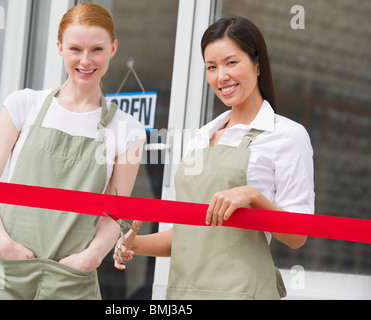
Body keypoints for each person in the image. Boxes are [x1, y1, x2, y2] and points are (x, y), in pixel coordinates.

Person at [114, 16, 314, 300]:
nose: (221, 76)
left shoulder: (286, 136)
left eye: (231, 63)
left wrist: (252, 196)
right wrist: (134, 245)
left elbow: (298, 236)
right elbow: (185, 235)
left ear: (258, 64)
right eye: (211, 67)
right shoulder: (200, 139)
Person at [0, 3, 145, 300]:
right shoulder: (23, 105)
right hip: (5, 272)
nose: (86, 60)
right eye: (75, 48)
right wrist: (1, 245)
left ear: (113, 48)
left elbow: (114, 212)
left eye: (97, 50)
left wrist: (91, 257)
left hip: (70, 279)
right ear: (59, 48)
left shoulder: (128, 131)